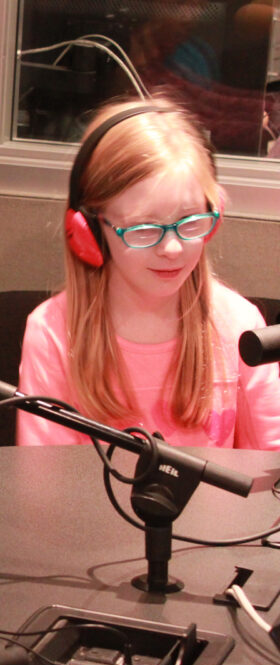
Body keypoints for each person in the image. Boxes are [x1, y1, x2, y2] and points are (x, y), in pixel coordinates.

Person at [16, 98, 280, 449]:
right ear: (89, 232)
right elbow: (43, 492)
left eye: (190, 222)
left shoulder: (240, 324)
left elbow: (271, 467)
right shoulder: (52, 333)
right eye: (142, 228)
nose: (171, 248)